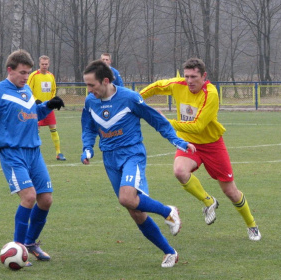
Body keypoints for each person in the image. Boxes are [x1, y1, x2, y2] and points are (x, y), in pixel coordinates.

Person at [80, 59, 196, 268]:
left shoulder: (130, 98)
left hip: (132, 154)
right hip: (109, 159)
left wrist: (177, 140)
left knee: (127, 198)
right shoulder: (90, 101)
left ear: (105, 81)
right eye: (87, 85)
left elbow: (156, 119)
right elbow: (88, 128)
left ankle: (167, 211)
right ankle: (170, 252)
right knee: (135, 211)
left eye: (91, 85)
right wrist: (87, 147)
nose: (89, 90)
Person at [0, 49, 65, 265]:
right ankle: (19, 250)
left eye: (28, 73)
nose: (26, 77)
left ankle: (31, 243)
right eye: (22, 72)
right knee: (29, 197)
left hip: (34, 152)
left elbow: (31, 114)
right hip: (12, 152)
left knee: (46, 199)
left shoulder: (26, 90)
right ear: (10, 70)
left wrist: (47, 106)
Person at [140, 58, 261, 241]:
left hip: (212, 145)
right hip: (188, 142)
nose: (189, 81)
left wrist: (166, 122)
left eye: (194, 76)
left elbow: (198, 126)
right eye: (187, 76)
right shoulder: (177, 84)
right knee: (180, 171)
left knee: (230, 191)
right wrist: (134, 99)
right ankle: (208, 201)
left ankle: (251, 225)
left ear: (204, 76)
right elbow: (156, 87)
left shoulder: (211, 93)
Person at [27, 55, 66, 161]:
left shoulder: (51, 76)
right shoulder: (33, 75)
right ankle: (34, 154)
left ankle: (59, 153)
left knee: (53, 128)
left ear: (49, 64)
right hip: (36, 108)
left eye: (46, 64)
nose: (44, 66)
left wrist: (52, 101)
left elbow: (53, 90)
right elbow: (28, 89)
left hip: (48, 107)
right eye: (42, 64)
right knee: (35, 130)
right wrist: (35, 100)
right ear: (39, 64)